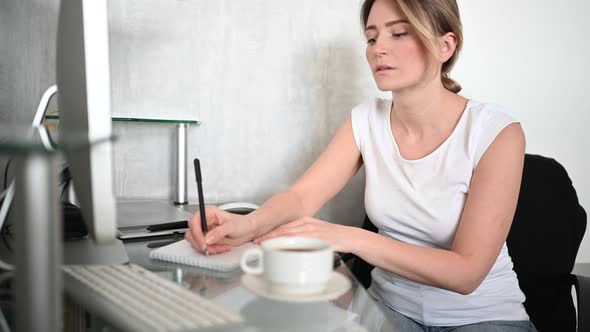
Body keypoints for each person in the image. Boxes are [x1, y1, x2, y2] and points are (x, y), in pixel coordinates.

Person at [185, 0, 537, 330]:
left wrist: (348, 237)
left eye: (399, 33)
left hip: (485, 318)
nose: (377, 49)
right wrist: (245, 226)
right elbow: (302, 198)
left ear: (445, 46)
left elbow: (467, 272)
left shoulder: (496, 133)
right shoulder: (367, 120)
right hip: (389, 312)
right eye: (371, 37)